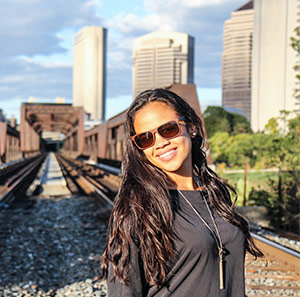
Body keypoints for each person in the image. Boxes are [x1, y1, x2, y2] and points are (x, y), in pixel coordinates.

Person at [101, 88, 263, 297]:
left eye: (168, 129)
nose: (160, 143)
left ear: (192, 127)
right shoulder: (138, 207)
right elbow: (124, 292)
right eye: (146, 138)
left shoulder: (216, 194)